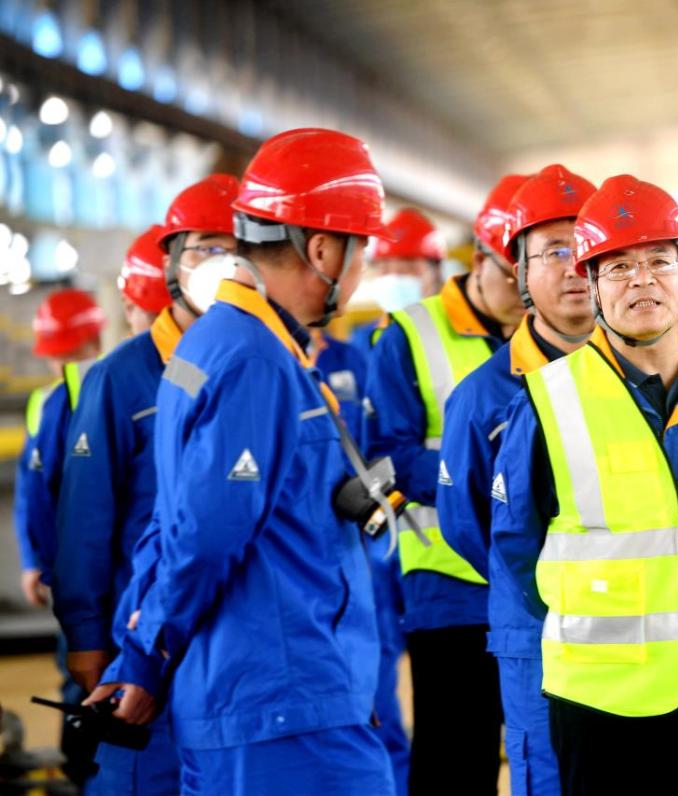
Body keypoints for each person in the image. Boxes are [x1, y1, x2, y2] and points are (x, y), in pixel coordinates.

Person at [88, 129, 395, 796]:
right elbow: (204, 534)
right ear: (323, 249)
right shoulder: (256, 359)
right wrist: (146, 655)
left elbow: (170, 517)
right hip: (283, 705)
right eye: (362, 248)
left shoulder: (210, 342)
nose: (363, 268)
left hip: (257, 695)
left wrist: (143, 648)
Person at [492, 175, 678, 796]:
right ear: (591, 286)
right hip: (603, 704)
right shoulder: (547, 401)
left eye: (657, 262)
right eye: (617, 267)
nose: (641, 280)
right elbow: (515, 549)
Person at [55, 183, 238, 793]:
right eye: (208, 247)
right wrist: (86, 637)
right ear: (172, 263)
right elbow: (85, 521)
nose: (225, 264)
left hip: (228, 638)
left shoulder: (260, 366)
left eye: (238, 247)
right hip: (134, 637)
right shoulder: (120, 379)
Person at [364, 173, 528, 795]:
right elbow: (388, 458)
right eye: (514, 275)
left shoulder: (566, 329)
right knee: (456, 760)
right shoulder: (410, 333)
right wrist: (487, 471)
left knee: (550, 754)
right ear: (480, 259)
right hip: (448, 580)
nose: (528, 292)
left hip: (548, 577)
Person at [438, 164, 596, 796]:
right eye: (552, 251)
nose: (572, 266)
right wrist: (546, 585)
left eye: (584, 248)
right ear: (521, 273)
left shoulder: (656, 377)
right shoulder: (482, 397)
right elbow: (468, 527)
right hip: (538, 636)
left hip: (641, 642)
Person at [13, 287, 106, 788]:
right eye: (58, 356)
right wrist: (34, 560)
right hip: (75, 574)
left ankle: (91, 773)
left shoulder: (108, 390)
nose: (62, 365)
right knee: (79, 676)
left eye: (69, 353)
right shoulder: (46, 403)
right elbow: (31, 491)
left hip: (97, 572)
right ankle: (80, 775)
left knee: (92, 676)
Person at [349, 208, 447, 353]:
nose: (394, 279)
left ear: (436, 271)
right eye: (385, 269)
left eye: (408, 268)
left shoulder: (463, 333)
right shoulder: (364, 341)